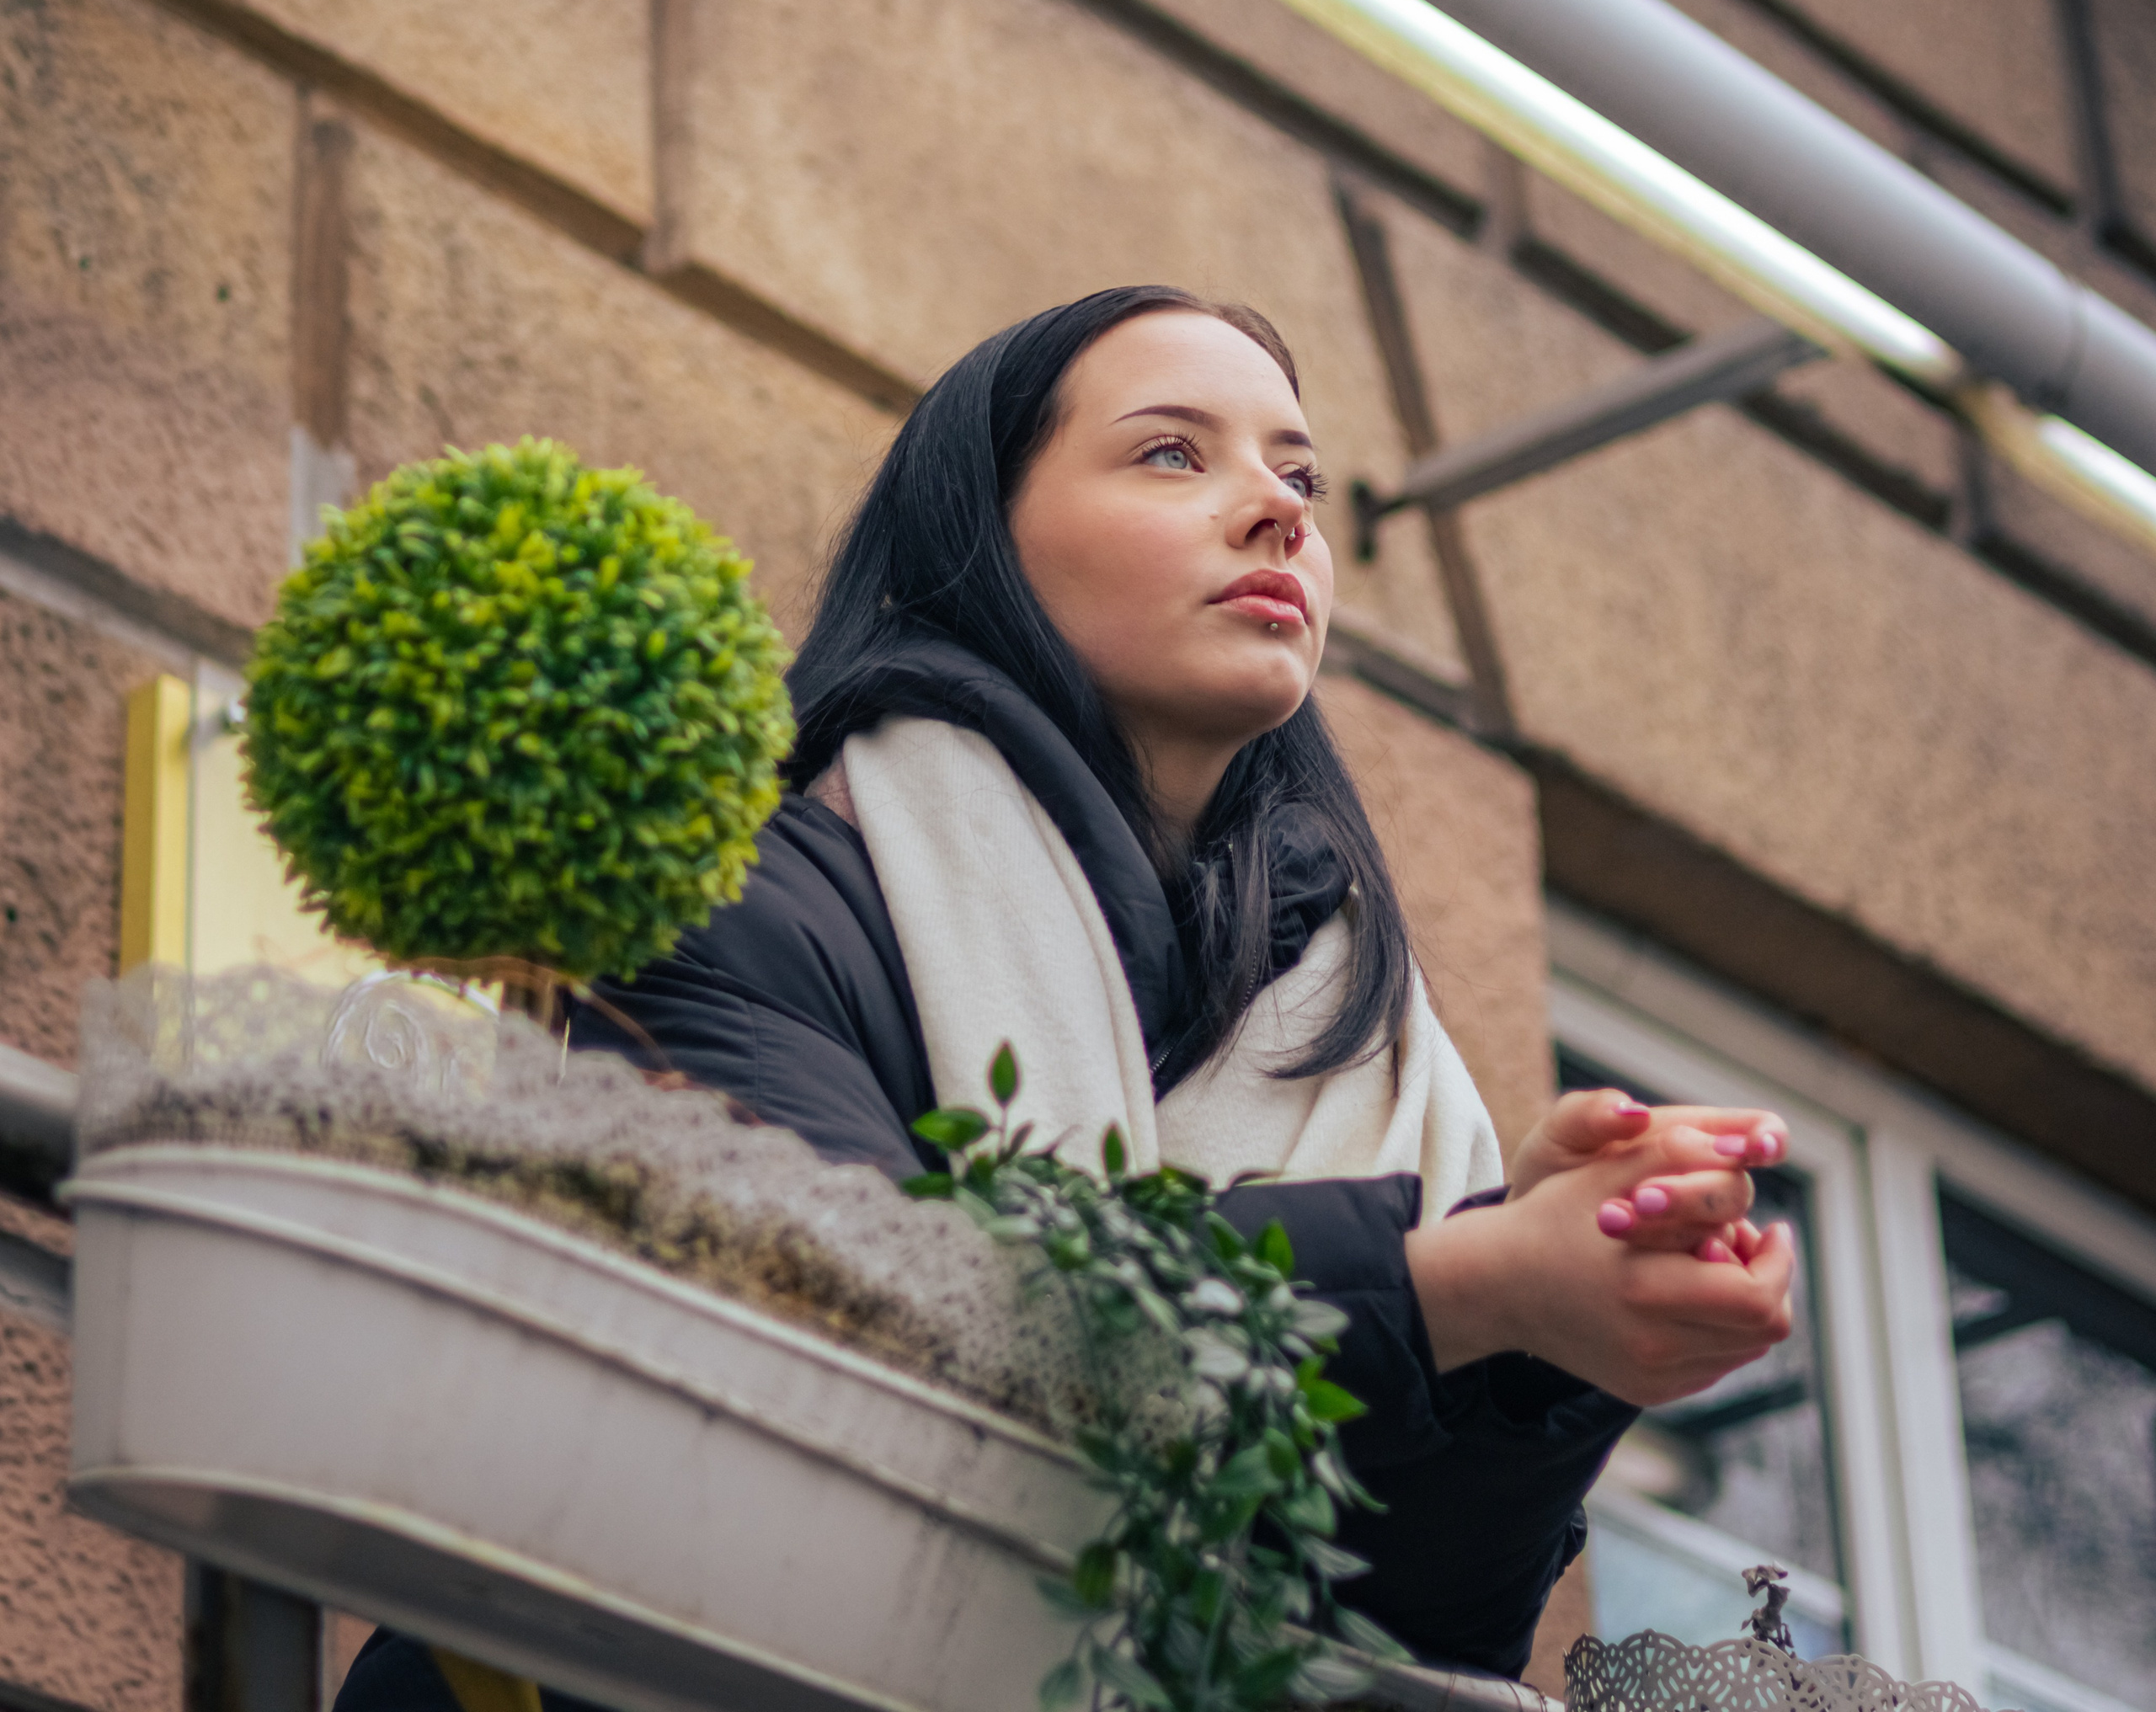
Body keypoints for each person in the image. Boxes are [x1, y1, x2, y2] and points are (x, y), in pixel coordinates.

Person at [338, 289, 1790, 1712]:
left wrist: (1525, 1361)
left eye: (1300, 475)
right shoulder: (739, 899)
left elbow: (1402, 1641)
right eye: (1175, 453)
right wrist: (1450, 1283)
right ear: (980, 537)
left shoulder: (1371, 1039)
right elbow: (877, 1343)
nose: (1281, 511)